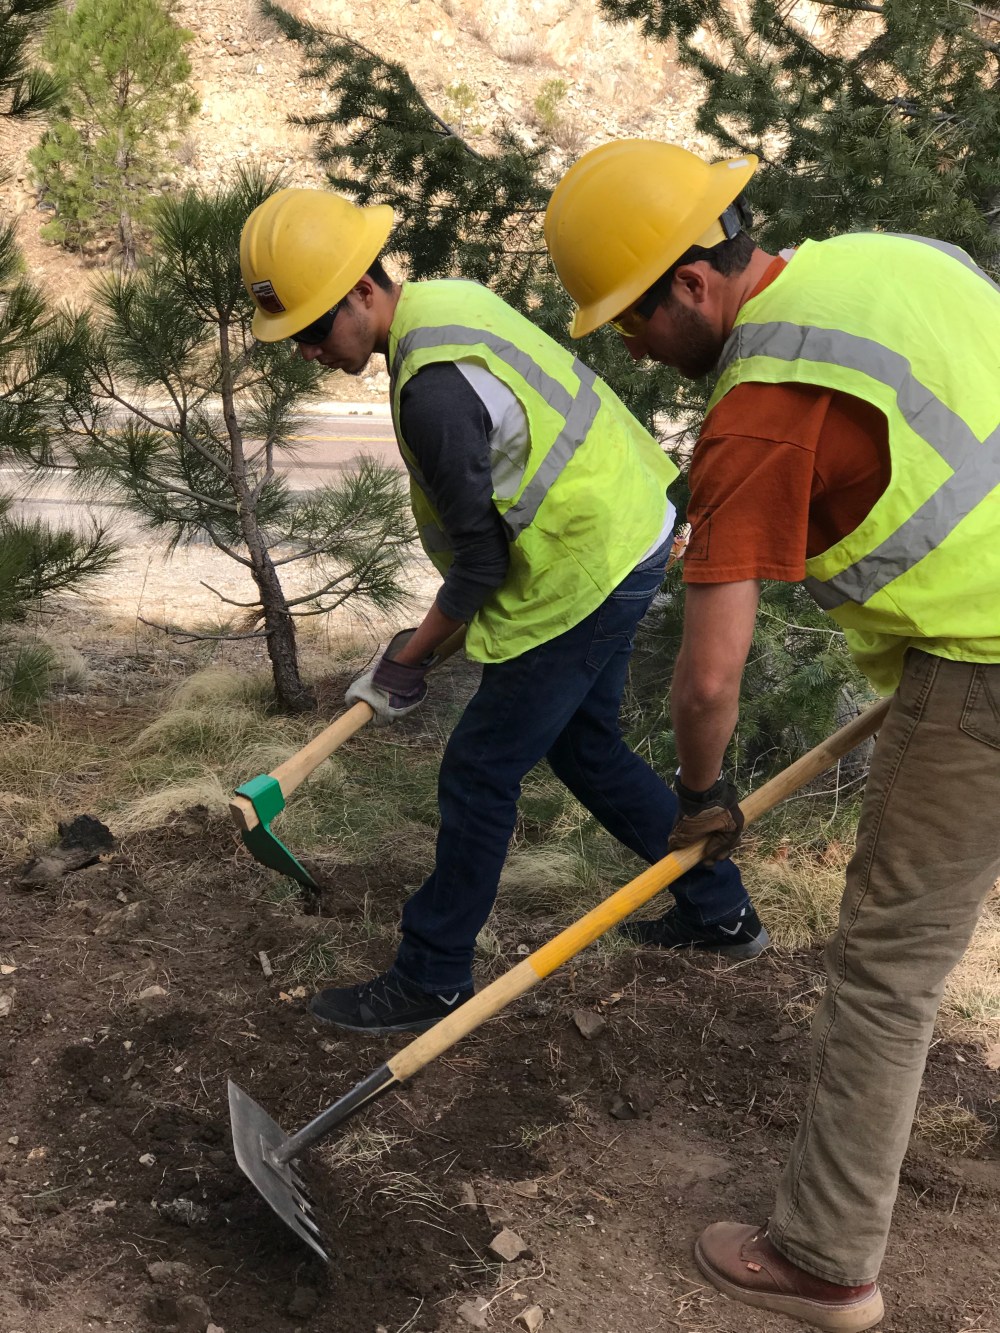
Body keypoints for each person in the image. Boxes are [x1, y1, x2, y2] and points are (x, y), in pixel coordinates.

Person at [544, 138, 1000, 1333]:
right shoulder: (896, 260)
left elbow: (707, 679)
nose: (629, 350)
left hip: (985, 667)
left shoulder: (753, 421)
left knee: (885, 972)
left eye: (630, 324)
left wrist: (703, 796)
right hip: (971, 638)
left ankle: (822, 1260)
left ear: (692, 284)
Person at [238, 187, 768, 1037]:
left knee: (478, 770)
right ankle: (721, 912)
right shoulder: (445, 303)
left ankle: (433, 974)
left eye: (309, 327)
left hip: (583, 566)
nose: (303, 349)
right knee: (587, 749)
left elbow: (481, 565)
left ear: (364, 291)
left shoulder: (431, 391)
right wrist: (414, 650)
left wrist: (409, 657)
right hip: (622, 528)